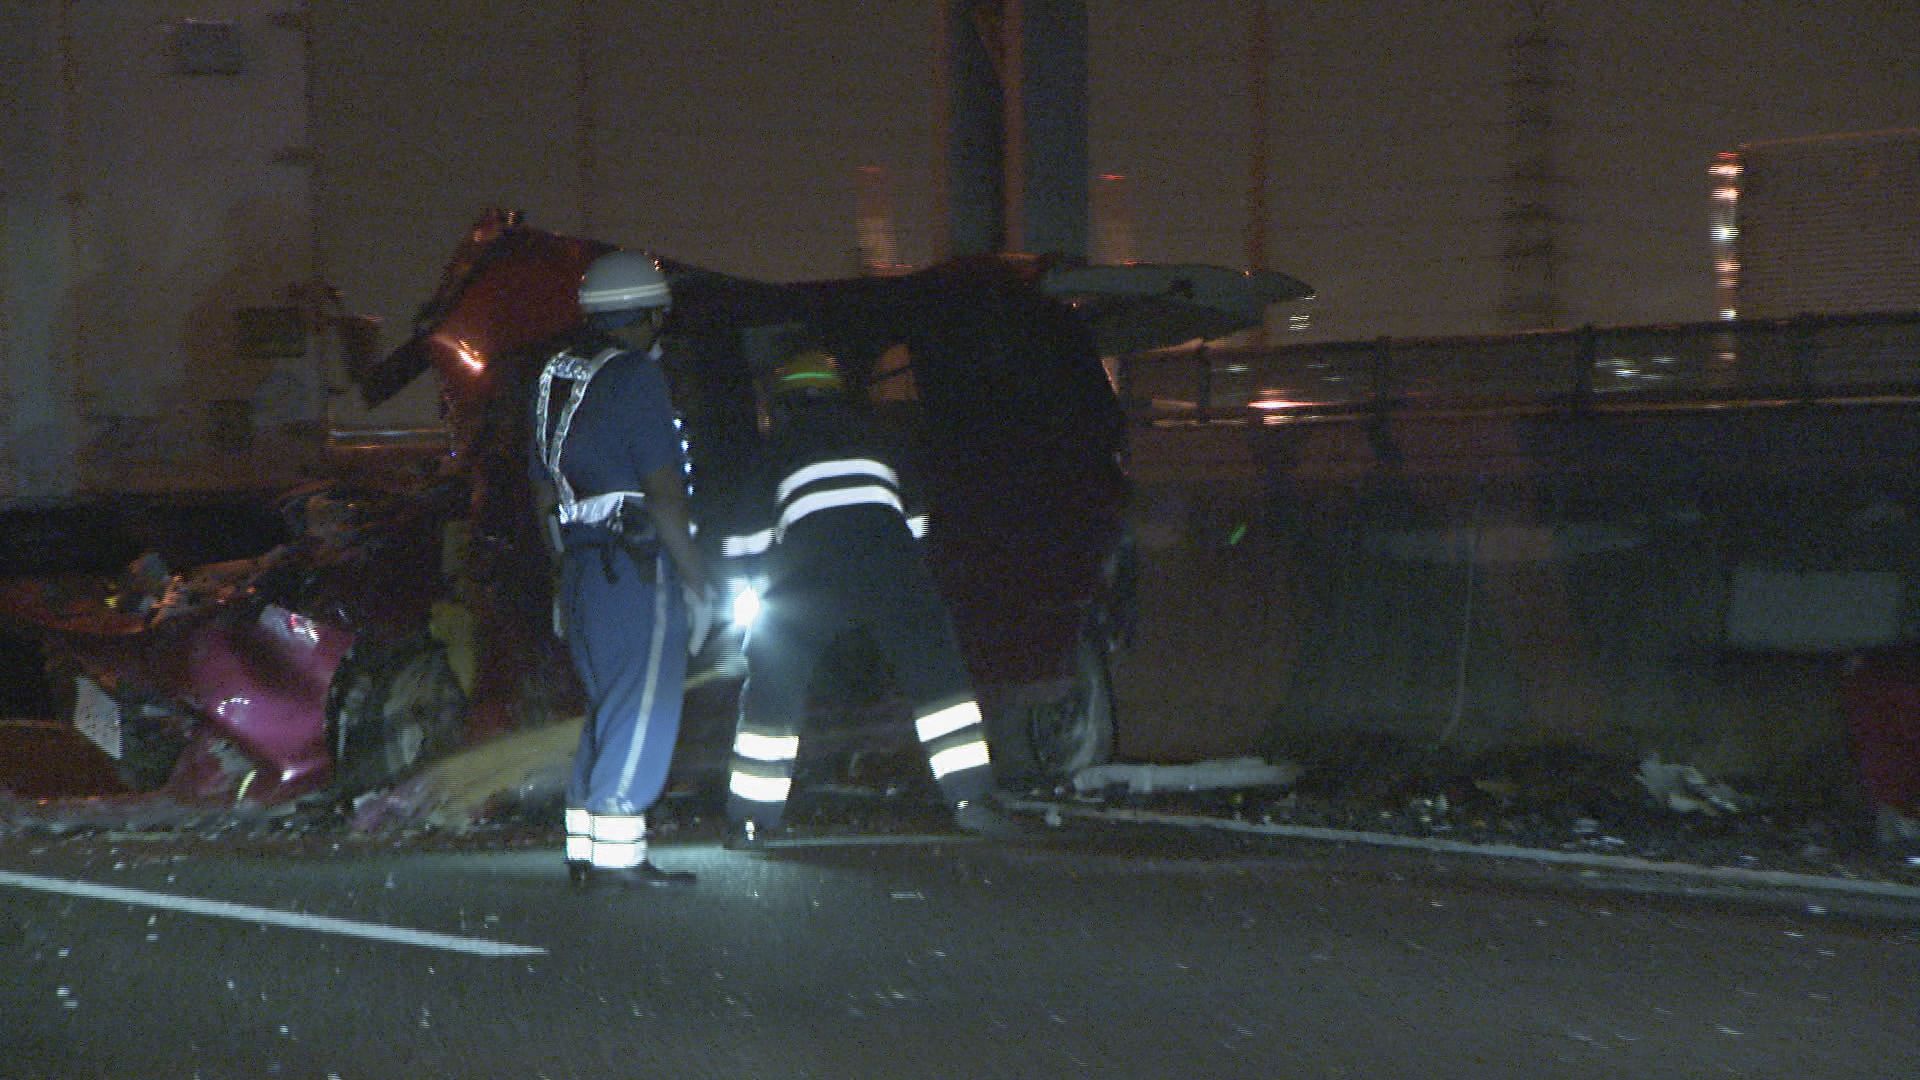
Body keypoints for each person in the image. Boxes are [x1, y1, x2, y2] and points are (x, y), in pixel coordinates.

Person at [717, 347, 1016, 849]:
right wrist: (896, 574)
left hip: (808, 574)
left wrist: (742, 597)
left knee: (773, 689)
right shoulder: (880, 436)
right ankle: (973, 800)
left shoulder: (778, 446)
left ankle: (751, 820)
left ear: (784, 403)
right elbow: (917, 518)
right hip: (890, 563)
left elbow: (746, 538)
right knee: (938, 678)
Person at [529, 249, 714, 888]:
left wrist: (562, 577)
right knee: (643, 704)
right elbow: (664, 493)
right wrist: (699, 582)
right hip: (633, 568)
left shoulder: (557, 376)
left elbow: (545, 496)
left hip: (581, 568)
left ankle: (585, 847)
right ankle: (620, 856)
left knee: (609, 706)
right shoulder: (635, 377)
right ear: (650, 315)